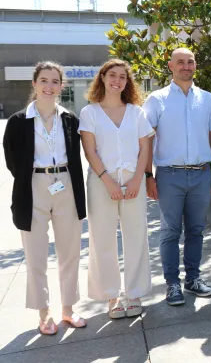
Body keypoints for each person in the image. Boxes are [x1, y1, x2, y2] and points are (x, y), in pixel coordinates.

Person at [3, 62, 87, 335]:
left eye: (54, 81)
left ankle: (68, 310)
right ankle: (44, 313)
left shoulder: (70, 119)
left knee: (70, 253)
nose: (49, 86)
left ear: (61, 86)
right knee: (36, 255)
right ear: (34, 83)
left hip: (66, 185)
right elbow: (12, 161)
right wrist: (38, 178)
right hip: (33, 187)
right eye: (44, 80)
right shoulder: (18, 121)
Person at [143, 47, 211, 305]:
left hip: (201, 174)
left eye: (190, 62)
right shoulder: (157, 99)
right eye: (180, 62)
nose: (186, 66)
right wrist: (148, 175)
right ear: (170, 66)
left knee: (196, 230)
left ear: (195, 66)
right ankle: (172, 285)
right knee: (169, 231)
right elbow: (147, 139)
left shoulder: (208, 99)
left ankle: (193, 279)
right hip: (169, 176)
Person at [79, 59, 153, 319]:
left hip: (133, 182)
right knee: (102, 239)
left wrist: (137, 180)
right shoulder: (89, 113)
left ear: (127, 82)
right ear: (102, 78)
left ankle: (134, 293)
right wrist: (108, 182)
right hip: (101, 184)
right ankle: (111, 296)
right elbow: (90, 151)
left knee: (136, 236)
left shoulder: (137, 112)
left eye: (123, 76)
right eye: (112, 75)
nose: (117, 80)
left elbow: (144, 148)